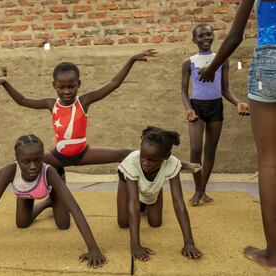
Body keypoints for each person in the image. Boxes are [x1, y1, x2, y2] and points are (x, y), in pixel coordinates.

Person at [0, 50, 201, 201]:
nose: (67, 91)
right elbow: (23, 100)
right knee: (13, 166)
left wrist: (131, 60)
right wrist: (5, 82)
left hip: (83, 153)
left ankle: (180, 164)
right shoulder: (52, 103)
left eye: (72, 86)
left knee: (127, 153)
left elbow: (113, 83)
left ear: (79, 84)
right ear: (54, 86)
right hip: (59, 156)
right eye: (62, 87)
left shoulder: (84, 101)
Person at [0, 135, 106, 268]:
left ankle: (53, 200)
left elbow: (75, 208)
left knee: (63, 224)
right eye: (26, 162)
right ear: (17, 159)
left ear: (43, 157)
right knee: (22, 223)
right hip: (25, 193)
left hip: (50, 188)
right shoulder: (10, 171)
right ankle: (46, 203)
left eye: (37, 160)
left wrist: (93, 248)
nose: (33, 166)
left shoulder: (49, 172)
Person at [198, 0, 276, 271]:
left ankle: (272, 256)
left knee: (269, 161)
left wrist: (211, 69)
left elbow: (234, 37)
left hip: (270, 59)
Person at [181, 23, 250, 206]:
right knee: (195, 149)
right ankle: (197, 189)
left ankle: (202, 190)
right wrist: (189, 109)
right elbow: (183, 92)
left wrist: (238, 103)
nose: (205, 39)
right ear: (194, 39)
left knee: (210, 151)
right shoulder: (189, 62)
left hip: (215, 108)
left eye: (208, 35)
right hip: (197, 109)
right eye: (201, 36)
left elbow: (225, 90)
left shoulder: (221, 60)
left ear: (213, 36)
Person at [117, 126, 202, 262]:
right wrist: (135, 245)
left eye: (151, 160)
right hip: (128, 183)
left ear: (165, 157)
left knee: (156, 223)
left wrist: (189, 243)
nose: (145, 162)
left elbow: (178, 202)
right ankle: (143, 197)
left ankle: (150, 191)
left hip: (151, 185)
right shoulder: (131, 162)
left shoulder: (171, 162)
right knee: (123, 223)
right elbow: (132, 203)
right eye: (143, 157)